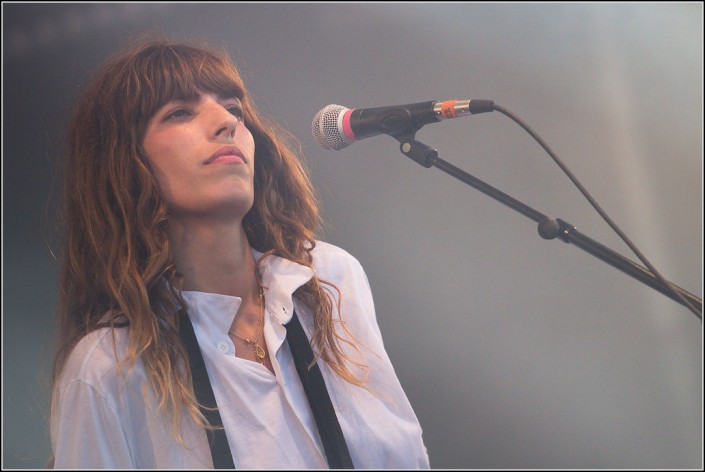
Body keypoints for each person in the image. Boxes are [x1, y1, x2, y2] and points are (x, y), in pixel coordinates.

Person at [49, 40, 430, 469]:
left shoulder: (331, 277)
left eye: (235, 107)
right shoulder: (106, 370)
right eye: (179, 112)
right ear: (125, 164)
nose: (226, 121)